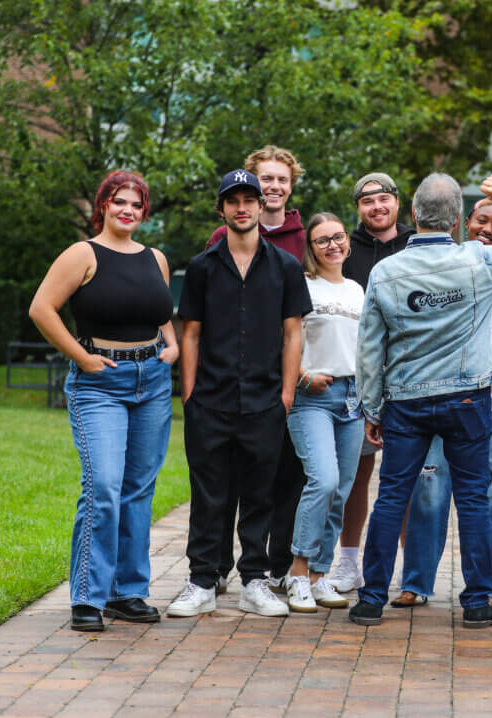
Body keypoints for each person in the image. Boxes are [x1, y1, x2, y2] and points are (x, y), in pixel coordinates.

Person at [349, 173, 492, 628]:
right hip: (467, 398)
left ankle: (371, 598)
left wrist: (371, 407)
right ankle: (477, 602)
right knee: (475, 499)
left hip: (405, 400)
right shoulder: (479, 260)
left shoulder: (386, 272)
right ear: (459, 219)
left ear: (412, 215)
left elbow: (369, 349)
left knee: (391, 497)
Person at [29, 170, 177, 632]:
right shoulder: (83, 254)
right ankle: (88, 598)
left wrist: (170, 346)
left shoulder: (156, 258)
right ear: (104, 206)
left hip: (151, 381)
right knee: (105, 488)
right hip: (100, 384)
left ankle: (127, 593)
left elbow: (160, 314)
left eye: (136, 204)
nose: (127, 210)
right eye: (119, 202)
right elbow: (41, 309)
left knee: (139, 491)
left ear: (144, 211)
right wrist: (83, 358)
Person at [167, 169, 311, 618]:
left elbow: (293, 334)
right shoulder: (203, 267)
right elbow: (189, 333)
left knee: (259, 493)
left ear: (261, 206)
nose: (243, 207)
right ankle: (201, 581)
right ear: (222, 209)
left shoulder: (286, 266)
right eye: (234, 200)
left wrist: (287, 393)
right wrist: (189, 392)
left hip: (266, 399)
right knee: (208, 492)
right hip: (210, 399)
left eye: (250, 199)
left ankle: (254, 581)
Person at [394, 201, 492, 608]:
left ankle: (484, 587)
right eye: (482, 221)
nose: (489, 229)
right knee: (430, 485)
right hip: (443, 392)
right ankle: (416, 582)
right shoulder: (445, 266)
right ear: (464, 223)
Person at [204, 146, 308, 595]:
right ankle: (217, 566)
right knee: (226, 478)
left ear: (291, 186)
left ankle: (274, 566)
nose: (273, 187)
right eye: (265, 179)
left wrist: (292, 383)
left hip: (287, 383)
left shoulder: (306, 239)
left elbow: (306, 316)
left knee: (282, 478)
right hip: (228, 386)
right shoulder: (218, 239)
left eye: (281, 180)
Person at [329, 172, 417, 594]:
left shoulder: (419, 244)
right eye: (368, 201)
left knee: (405, 476)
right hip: (357, 379)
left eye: (384, 199)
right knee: (356, 473)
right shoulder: (345, 249)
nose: (377, 207)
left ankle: (408, 566)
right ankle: (348, 561)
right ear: (358, 208)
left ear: (398, 203)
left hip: (407, 377)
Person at [283, 213, 365, 613]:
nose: (333, 245)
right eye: (322, 240)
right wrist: (300, 378)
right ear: (310, 248)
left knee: (342, 490)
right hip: (313, 395)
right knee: (324, 480)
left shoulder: (357, 290)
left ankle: (319, 575)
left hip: (353, 398)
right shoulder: (301, 286)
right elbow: (283, 340)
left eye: (338, 237)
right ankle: (296, 573)